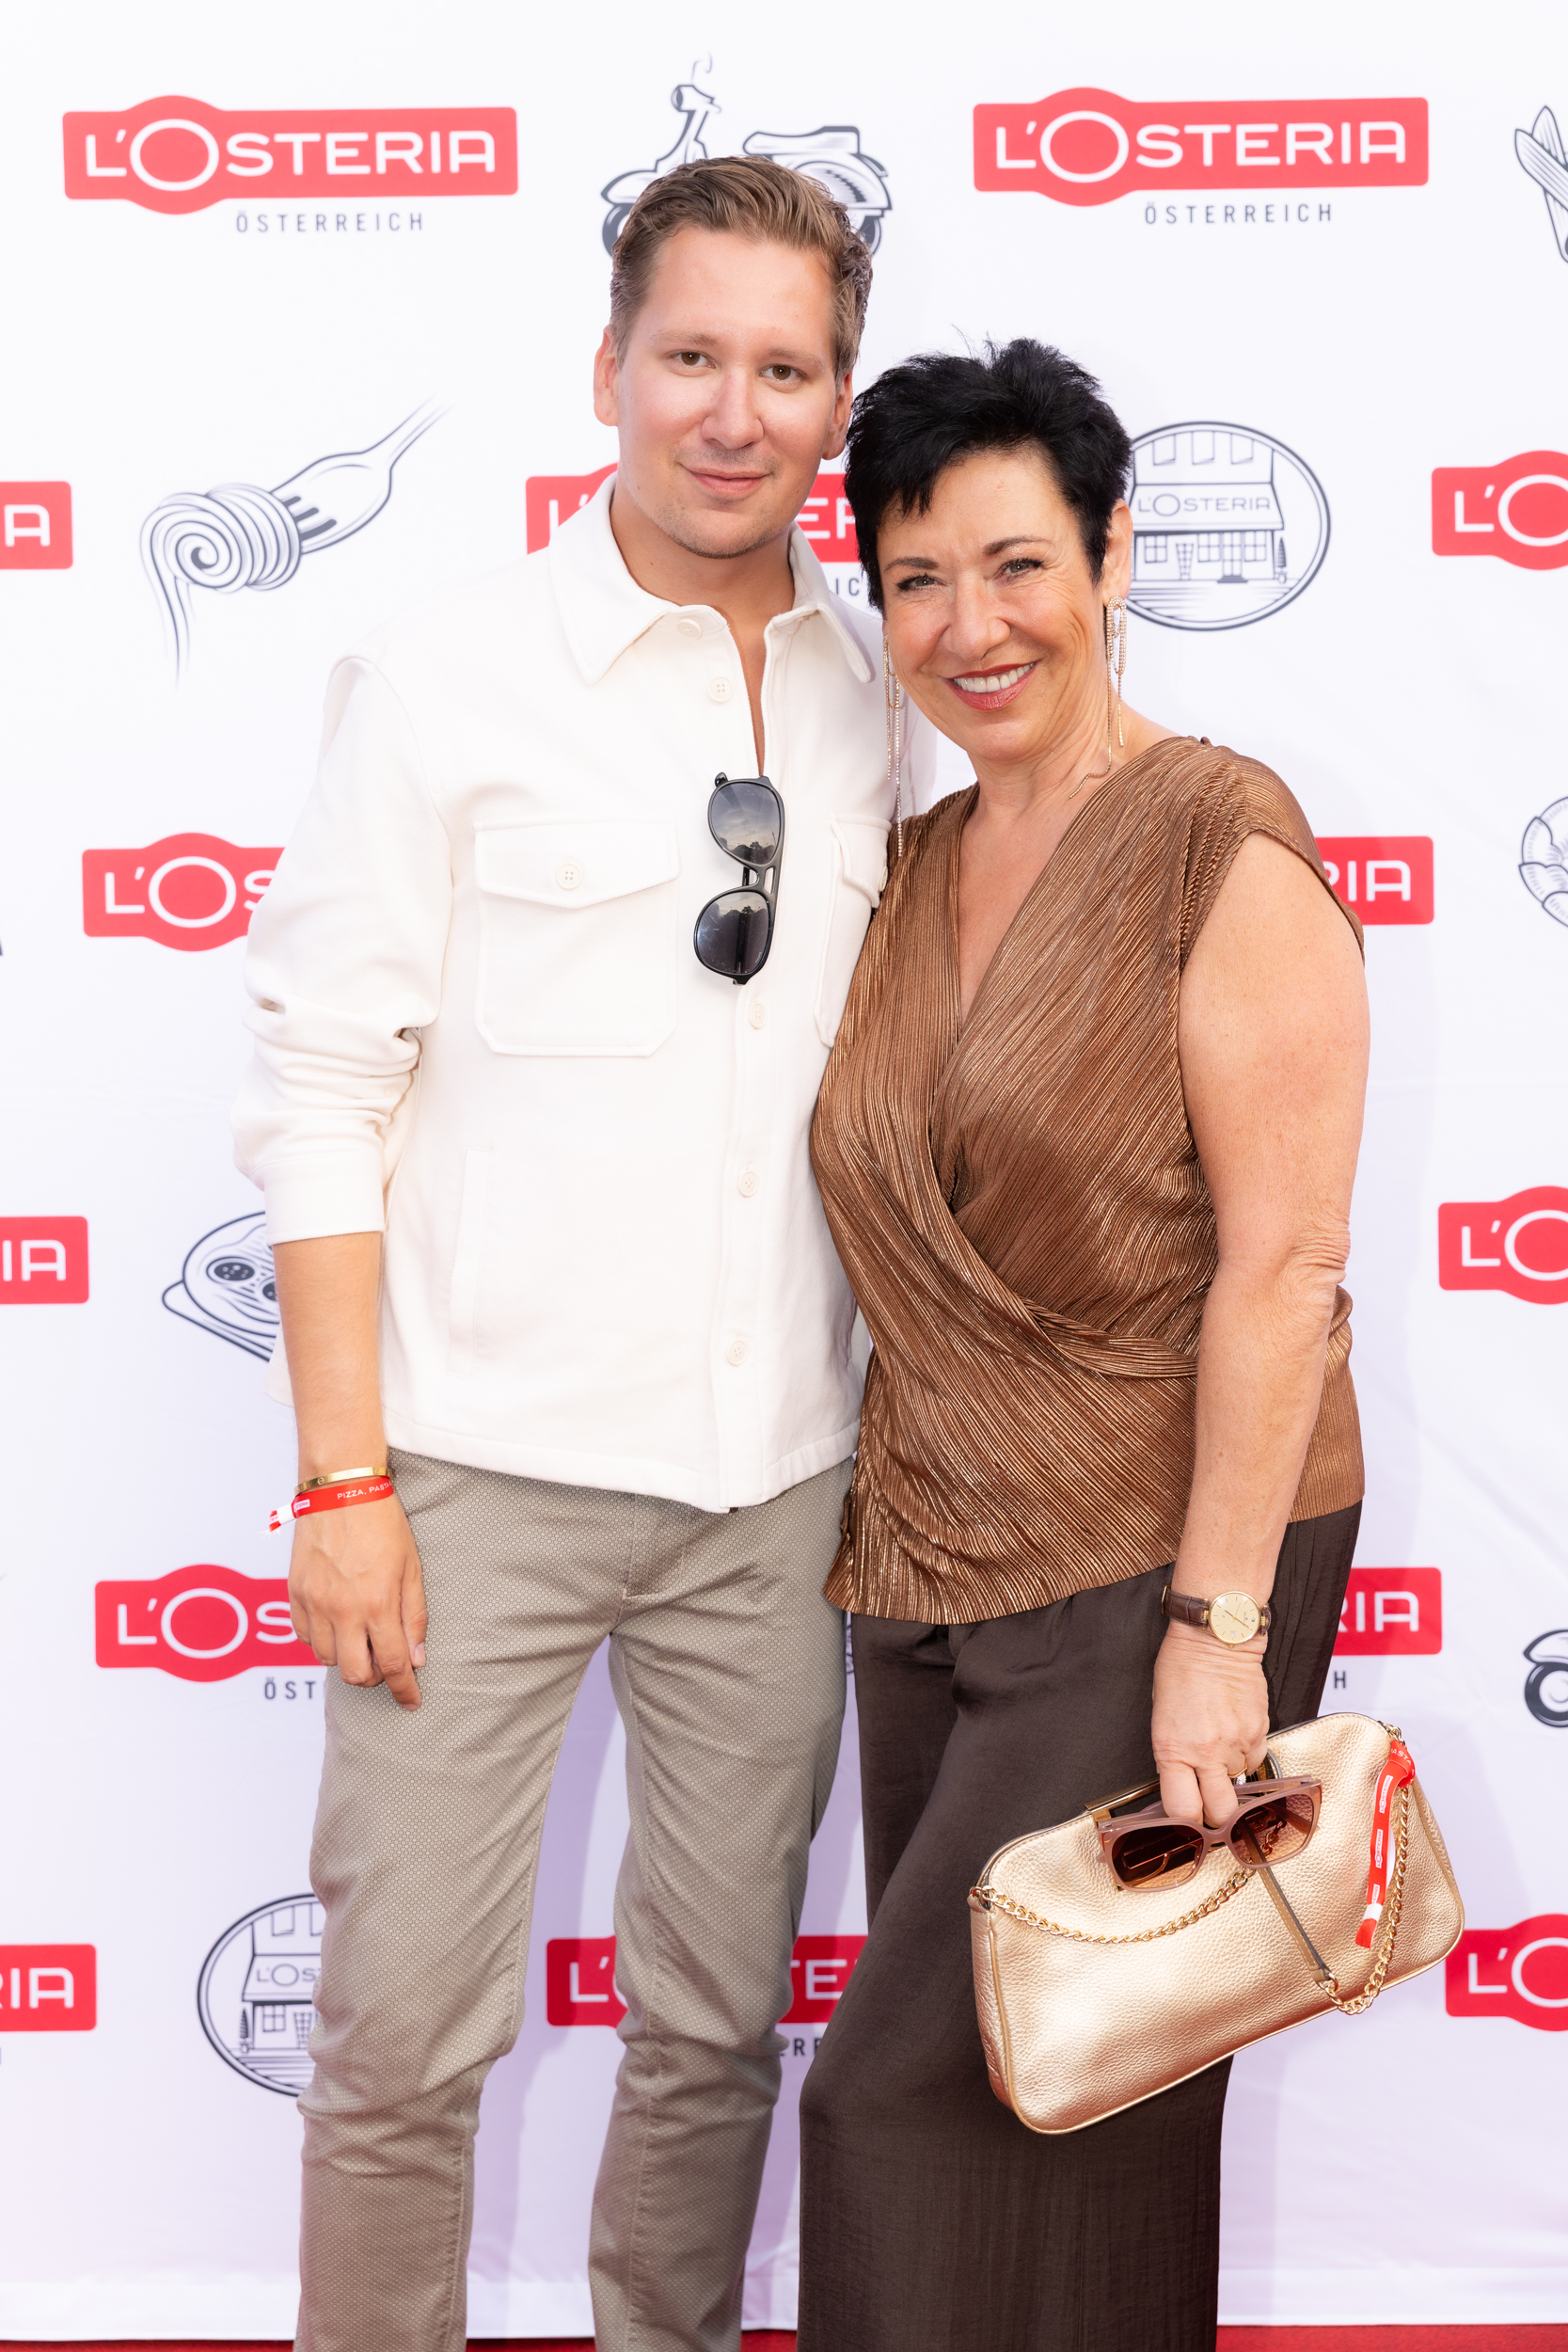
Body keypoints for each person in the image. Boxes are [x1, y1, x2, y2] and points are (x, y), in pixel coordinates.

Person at [232, 156, 931, 2352]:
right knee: (401, 2038)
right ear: (608, 366)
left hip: (780, 1486)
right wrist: (345, 1479)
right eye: (691, 355)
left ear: (838, 402)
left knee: (716, 2026)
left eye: (786, 369)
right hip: (469, 1479)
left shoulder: (881, 690)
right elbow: (320, 1084)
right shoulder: (448, 675)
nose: (735, 411)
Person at [798, 341, 1369, 2352]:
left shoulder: (1218, 837)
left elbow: (1286, 1262)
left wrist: (1220, 1627)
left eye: (1017, 562)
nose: (971, 625)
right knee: (1060, 2088)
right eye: (917, 579)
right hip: (925, 1553)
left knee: (911, 2096)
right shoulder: (908, 866)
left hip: (1157, 1549)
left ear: (1115, 555)